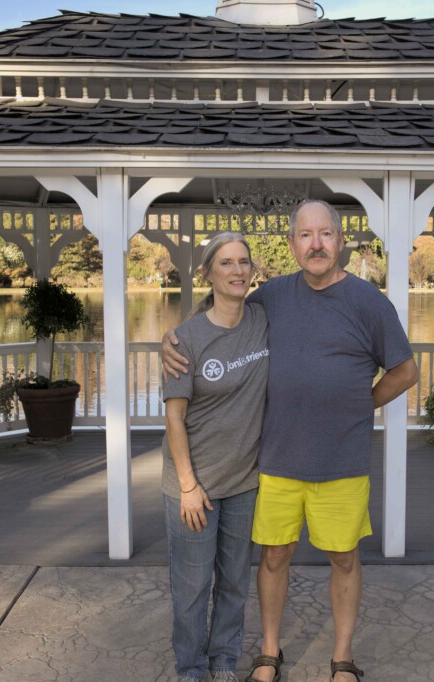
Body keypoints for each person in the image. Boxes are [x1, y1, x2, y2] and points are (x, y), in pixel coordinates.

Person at [164, 200, 419, 682]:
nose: (316, 244)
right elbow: (222, 306)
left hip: (342, 462)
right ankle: (269, 652)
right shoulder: (274, 295)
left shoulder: (369, 302)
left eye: (325, 234)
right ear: (292, 245)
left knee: (344, 558)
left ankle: (342, 657)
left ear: (340, 242)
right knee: (274, 555)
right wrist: (172, 338)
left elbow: (406, 370)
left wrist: (363, 404)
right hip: (277, 459)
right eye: (306, 235)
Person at [161, 231, 270, 682]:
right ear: (208, 272)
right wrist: (188, 485)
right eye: (226, 263)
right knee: (191, 588)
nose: (237, 271)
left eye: (243, 262)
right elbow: (174, 421)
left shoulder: (263, 319)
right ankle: (190, 668)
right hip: (195, 488)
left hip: (244, 482)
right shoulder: (185, 339)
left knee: (233, 582)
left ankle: (224, 660)